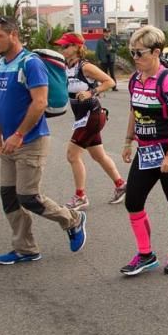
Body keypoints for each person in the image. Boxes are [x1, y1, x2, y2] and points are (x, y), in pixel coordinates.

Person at [0, 17, 87, 265]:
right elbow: (2, 102)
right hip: (9, 141)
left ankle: (72, 219)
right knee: (8, 196)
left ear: (13, 35)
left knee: (28, 197)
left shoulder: (30, 63)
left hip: (30, 140)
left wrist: (18, 134)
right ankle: (25, 248)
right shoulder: (1, 65)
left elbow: (40, 102)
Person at [119, 26, 168, 276]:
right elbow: (134, 110)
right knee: (133, 201)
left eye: (139, 53)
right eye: (132, 53)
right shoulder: (134, 79)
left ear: (156, 52)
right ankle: (145, 254)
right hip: (146, 151)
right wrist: (128, 141)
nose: (135, 58)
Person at [55, 32, 125, 210]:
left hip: (92, 115)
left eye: (65, 46)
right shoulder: (64, 66)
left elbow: (109, 81)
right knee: (98, 155)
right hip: (81, 117)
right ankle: (121, 185)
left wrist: (90, 92)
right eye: (60, 46)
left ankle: (80, 196)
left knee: (72, 155)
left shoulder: (85, 67)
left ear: (76, 48)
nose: (61, 49)